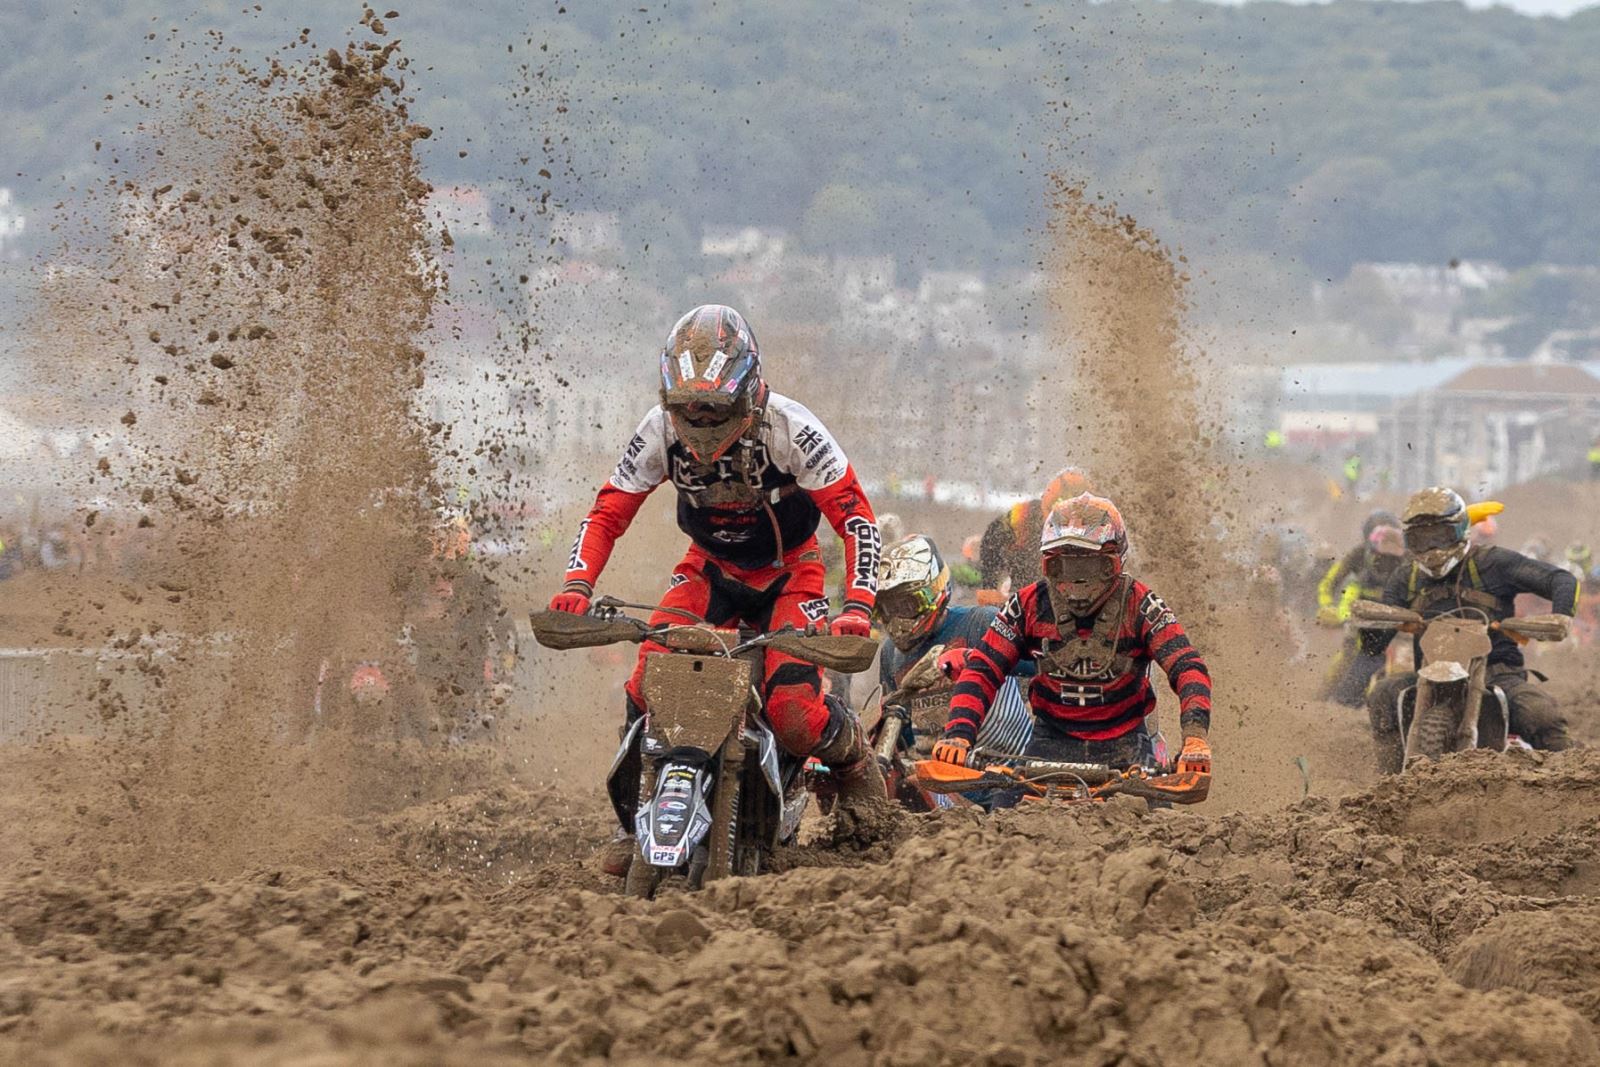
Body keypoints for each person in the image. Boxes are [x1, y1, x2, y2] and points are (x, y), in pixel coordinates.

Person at [546, 304, 884, 876]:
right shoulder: (656, 431)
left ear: (750, 393)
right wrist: (578, 583)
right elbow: (608, 510)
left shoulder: (793, 427)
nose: (700, 424)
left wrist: (857, 605)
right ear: (668, 401)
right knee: (647, 679)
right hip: (708, 569)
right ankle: (633, 823)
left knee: (794, 712)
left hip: (789, 571)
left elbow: (856, 518)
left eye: (714, 409)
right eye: (687, 410)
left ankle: (852, 759)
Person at [933, 493, 1213, 780]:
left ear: (1115, 562)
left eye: (1089, 567)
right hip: (1050, 741)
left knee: (1161, 820)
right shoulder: (1027, 604)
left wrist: (1194, 737)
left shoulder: (1141, 604)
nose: (1076, 582)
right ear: (1048, 565)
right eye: (1063, 567)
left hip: (1126, 745)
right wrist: (959, 733)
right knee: (1002, 817)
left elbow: (1187, 666)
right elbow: (983, 668)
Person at [1363, 487, 1578, 773]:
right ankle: (1386, 783)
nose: (1431, 550)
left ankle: (1574, 784)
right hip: (1430, 673)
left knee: (1541, 714)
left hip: (1497, 672)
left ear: (1460, 529)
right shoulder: (1407, 576)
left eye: (1438, 537)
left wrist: (1561, 616)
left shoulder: (1492, 563)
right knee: (1382, 694)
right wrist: (1377, 625)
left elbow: (1561, 580)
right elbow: (1372, 645)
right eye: (1420, 539)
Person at [873, 534, 1033, 762]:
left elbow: (1039, 667)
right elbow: (901, 733)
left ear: (934, 590)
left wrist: (973, 659)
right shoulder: (891, 653)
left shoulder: (980, 622)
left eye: (906, 605)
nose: (897, 619)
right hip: (939, 782)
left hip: (1009, 770)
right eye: (886, 609)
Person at [975, 467, 1092, 605]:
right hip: (1022, 599)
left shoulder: (1084, 532)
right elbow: (992, 539)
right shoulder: (1024, 516)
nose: (1058, 489)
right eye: (1061, 482)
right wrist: (990, 586)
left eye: (1069, 487)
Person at [1320, 524, 1405, 706]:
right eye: (1383, 558)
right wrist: (1331, 609)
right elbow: (1334, 585)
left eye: (1393, 559)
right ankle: (1323, 694)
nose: (1388, 564)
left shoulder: (1409, 562)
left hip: (1395, 615)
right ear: (1371, 550)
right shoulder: (1358, 557)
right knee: (1349, 654)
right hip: (1359, 610)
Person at [1315, 510, 1399, 627]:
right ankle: (1349, 629)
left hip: (1396, 611)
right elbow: (1329, 582)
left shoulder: (1406, 558)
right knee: (1352, 587)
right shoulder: (1358, 554)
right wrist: (1327, 606)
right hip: (1358, 611)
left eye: (1389, 536)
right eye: (1378, 535)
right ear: (1368, 536)